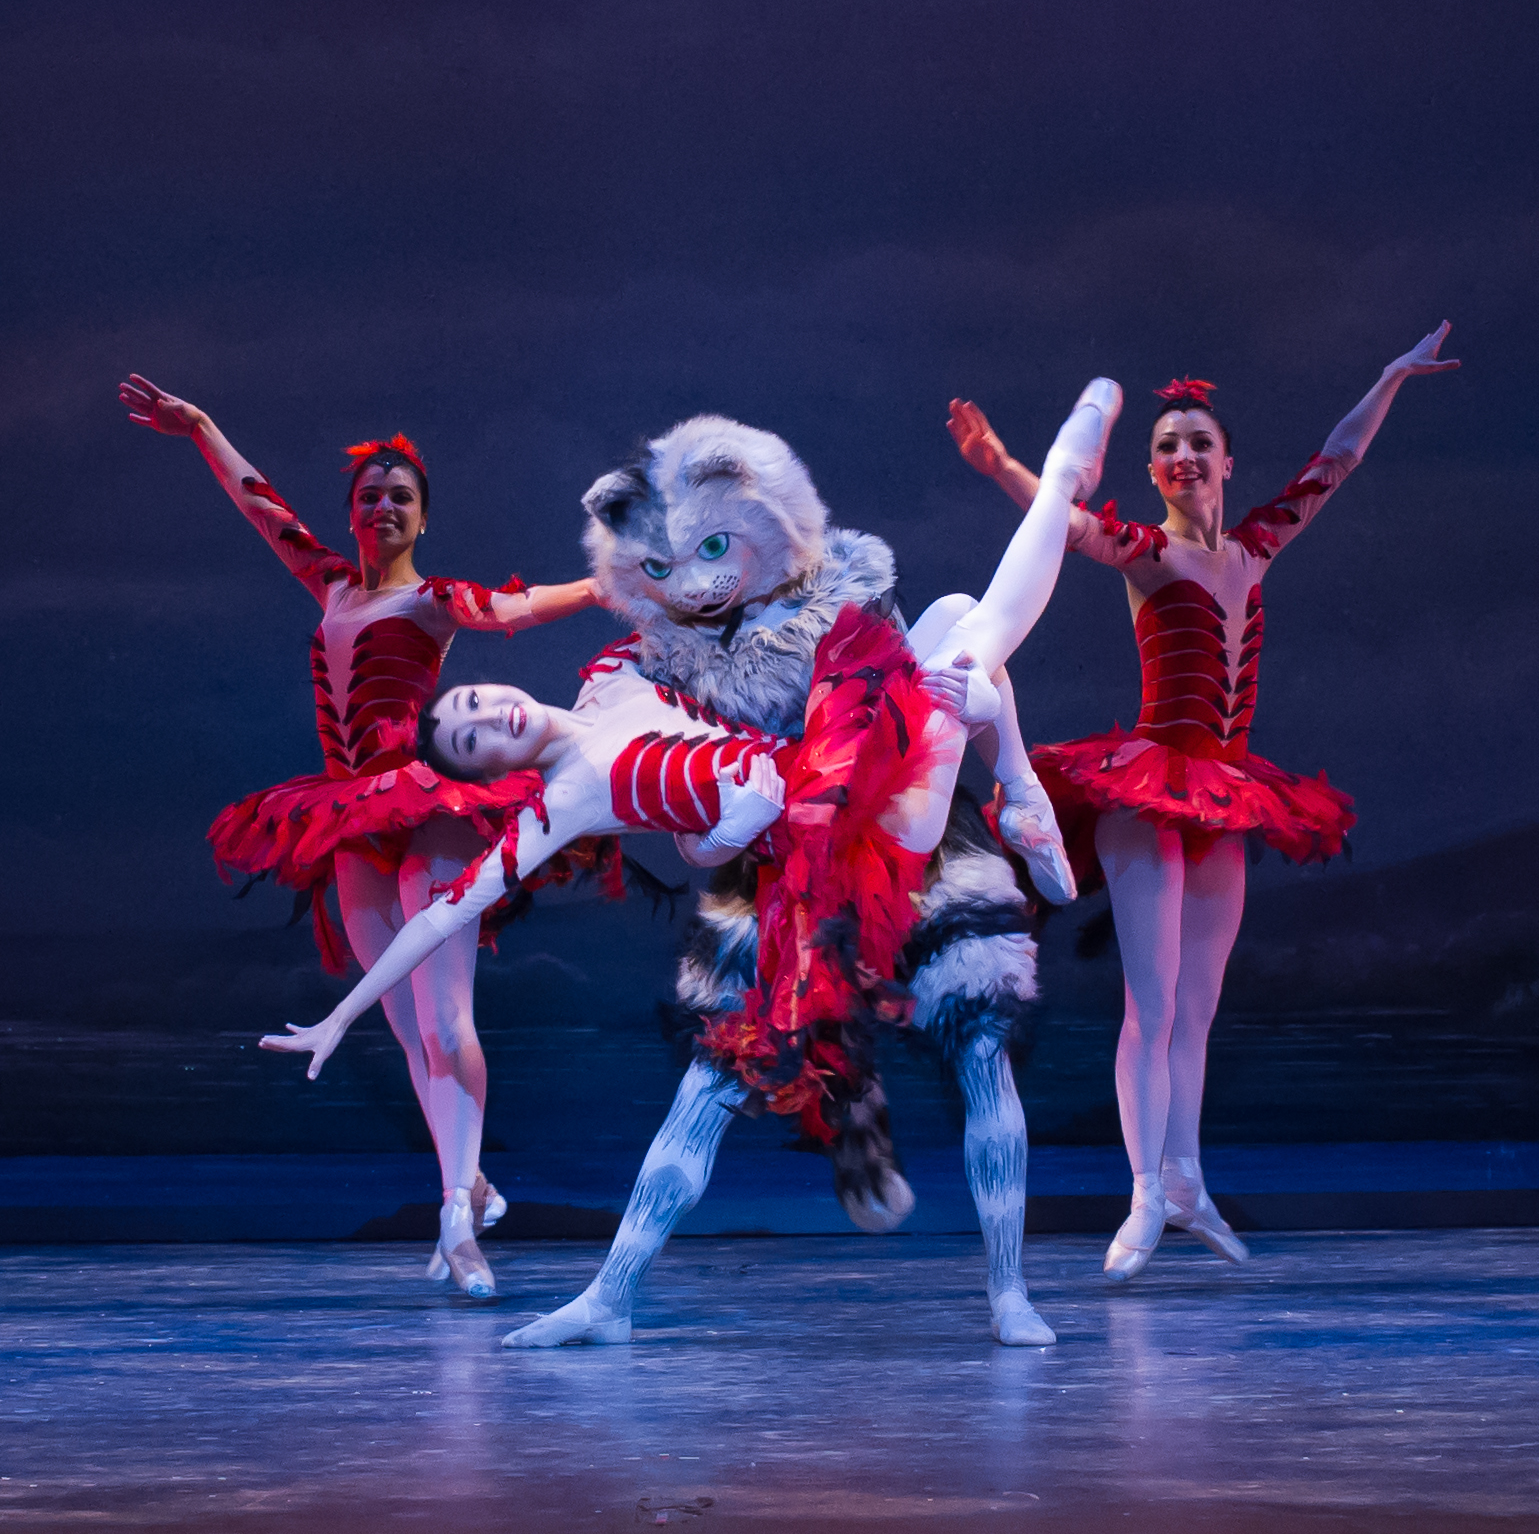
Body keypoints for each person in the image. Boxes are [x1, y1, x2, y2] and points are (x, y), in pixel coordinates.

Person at [262, 378, 1123, 1347]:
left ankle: (1009, 1289)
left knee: (967, 639)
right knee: (713, 1080)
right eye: (469, 737)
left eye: (471, 703)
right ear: (489, 768)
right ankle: (610, 1295)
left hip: (880, 797)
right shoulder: (613, 724)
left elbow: (834, 670)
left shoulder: (654, 662)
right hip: (793, 855)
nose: (484, 715)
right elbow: (498, 892)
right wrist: (341, 1015)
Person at [947, 324, 1460, 1282]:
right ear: (1151, 473)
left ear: (1226, 461)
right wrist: (1002, 464)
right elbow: (1063, 520)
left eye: (1197, 442)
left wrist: (1388, 376)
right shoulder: (1146, 553)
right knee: (1150, 1002)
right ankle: (1145, 1191)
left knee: (1198, 1005)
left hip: (1225, 793)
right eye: (1166, 447)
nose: (1183, 455)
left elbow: (1336, 462)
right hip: (1151, 787)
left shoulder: (1255, 547)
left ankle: (1186, 1179)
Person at [118, 375, 602, 1298]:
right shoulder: (331, 584)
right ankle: (467, 1182)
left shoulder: (433, 601)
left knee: (444, 1014)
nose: (382, 507)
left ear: (421, 519)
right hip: (346, 816)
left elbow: (522, 606)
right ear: (352, 515)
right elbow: (264, 509)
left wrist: (611, 582)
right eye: (369, 496)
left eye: (400, 498)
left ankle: (458, 1216)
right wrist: (204, 428)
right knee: (400, 1024)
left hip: (428, 811)